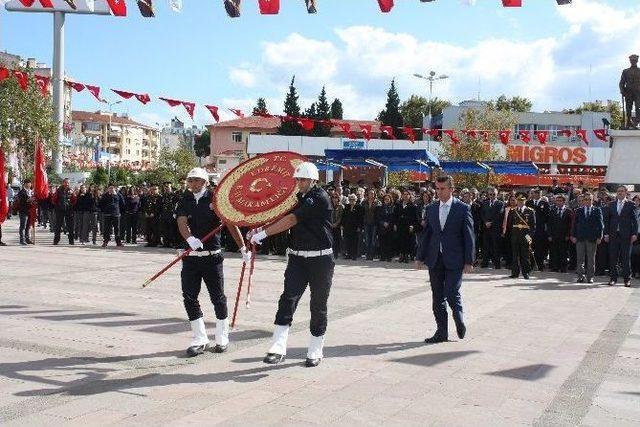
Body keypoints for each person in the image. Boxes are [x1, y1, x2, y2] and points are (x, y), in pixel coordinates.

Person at [249, 162, 334, 367]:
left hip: (320, 259)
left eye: (303, 179)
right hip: (297, 258)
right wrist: (260, 228)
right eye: (297, 179)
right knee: (288, 299)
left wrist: (264, 233)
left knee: (318, 304)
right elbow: (281, 216)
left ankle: (315, 348)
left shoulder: (318, 198)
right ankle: (278, 347)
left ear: (313, 180)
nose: (299, 183)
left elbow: (291, 220)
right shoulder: (300, 198)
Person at [176, 167, 248, 357]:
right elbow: (181, 221)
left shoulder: (216, 200)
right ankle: (200, 338)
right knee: (189, 297)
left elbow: (231, 224)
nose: (193, 184)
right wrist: (189, 238)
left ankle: (222, 336)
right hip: (191, 258)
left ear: (205, 182)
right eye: (190, 180)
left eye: (197, 180)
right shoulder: (185, 199)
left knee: (218, 297)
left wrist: (242, 248)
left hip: (212, 257)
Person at [416, 175, 474, 344]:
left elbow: (469, 235)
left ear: (451, 189)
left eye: (442, 189)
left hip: (455, 259)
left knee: (451, 292)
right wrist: (420, 257)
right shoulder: (432, 208)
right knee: (437, 297)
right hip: (435, 259)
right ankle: (441, 332)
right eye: (437, 189)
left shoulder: (463, 209)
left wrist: (469, 261)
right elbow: (427, 234)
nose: (439, 192)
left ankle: (458, 318)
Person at [604, 186, 639, 287]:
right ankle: (613, 279)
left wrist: (634, 234)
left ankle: (627, 279)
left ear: (625, 193)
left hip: (626, 236)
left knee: (625, 258)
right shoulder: (611, 204)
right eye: (618, 191)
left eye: (622, 191)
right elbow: (607, 220)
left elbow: (635, 221)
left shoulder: (631, 204)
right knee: (613, 257)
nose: (620, 193)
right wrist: (606, 234)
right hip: (613, 235)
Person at [571, 193, 604, 284]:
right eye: (586, 199)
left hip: (592, 238)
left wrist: (599, 236)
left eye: (589, 199)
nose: (587, 201)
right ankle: (580, 276)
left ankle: (590, 277)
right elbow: (574, 224)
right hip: (580, 237)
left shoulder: (597, 210)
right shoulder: (579, 210)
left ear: (592, 200)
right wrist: (573, 235)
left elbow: (601, 225)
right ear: (583, 200)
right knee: (580, 258)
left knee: (591, 259)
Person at [506, 195, 536, 279]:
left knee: (525, 255)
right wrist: (513, 234)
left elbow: (533, 225)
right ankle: (515, 273)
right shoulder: (513, 211)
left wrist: (529, 237)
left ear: (525, 201)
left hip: (525, 235)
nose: (520, 203)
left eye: (522, 201)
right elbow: (509, 224)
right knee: (515, 255)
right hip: (515, 236)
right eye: (519, 201)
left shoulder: (530, 211)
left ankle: (526, 272)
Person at [480, 187, 504, 269]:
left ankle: (497, 264)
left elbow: (499, 215)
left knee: (496, 246)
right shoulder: (485, 203)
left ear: (497, 194)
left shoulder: (500, 203)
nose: (492, 196)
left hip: (495, 228)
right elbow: (482, 214)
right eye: (490, 194)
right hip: (486, 228)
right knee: (486, 246)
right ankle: (485, 263)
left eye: (494, 194)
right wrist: (485, 222)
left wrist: (491, 222)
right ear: (488, 195)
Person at [526, 189, 550, 271]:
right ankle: (530, 265)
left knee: (539, 248)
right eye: (535, 193)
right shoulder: (528, 203)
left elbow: (547, 216)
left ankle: (539, 265)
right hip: (529, 230)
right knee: (529, 247)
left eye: (538, 193)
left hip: (540, 230)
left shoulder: (544, 203)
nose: (536, 195)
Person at [548, 194, 572, 273]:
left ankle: (563, 267)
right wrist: (550, 235)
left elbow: (570, 225)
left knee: (563, 252)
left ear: (564, 202)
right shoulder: (552, 211)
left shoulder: (568, 211)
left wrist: (568, 235)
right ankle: (555, 267)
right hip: (554, 235)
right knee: (554, 251)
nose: (558, 202)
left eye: (560, 201)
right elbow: (549, 224)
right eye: (557, 201)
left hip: (564, 235)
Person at [395, 190, 417, 263]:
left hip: (408, 226)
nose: (405, 196)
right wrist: (395, 224)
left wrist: (412, 226)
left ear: (410, 196)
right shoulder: (399, 205)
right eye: (404, 194)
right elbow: (395, 215)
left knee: (408, 241)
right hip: (400, 225)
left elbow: (415, 217)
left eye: (407, 194)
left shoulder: (413, 206)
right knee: (400, 240)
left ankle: (407, 255)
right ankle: (401, 255)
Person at [52, 178, 75, 245]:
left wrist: (72, 194)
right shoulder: (58, 190)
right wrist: (58, 205)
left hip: (68, 210)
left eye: (68, 183)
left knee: (70, 226)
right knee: (58, 226)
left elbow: (74, 201)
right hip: (60, 210)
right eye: (66, 182)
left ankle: (71, 241)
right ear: (63, 183)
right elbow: (53, 200)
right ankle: (56, 240)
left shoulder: (71, 190)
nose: (67, 184)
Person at [620, 54, 640, 129]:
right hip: (628, 92)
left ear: (637, 61)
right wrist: (622, 91)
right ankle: (628, 122)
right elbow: (621, 82)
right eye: (632, 60)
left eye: (635, 60)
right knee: (628, 108)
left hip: (638, 93)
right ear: (630, 61)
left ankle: (637, 122)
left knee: (638, 107)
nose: (633, 61)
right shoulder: (625, 71)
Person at [342, 194, 363, 260]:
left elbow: (360, 218)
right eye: (350, 199)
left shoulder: (359, 207)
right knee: (348, 241)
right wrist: (342, 225)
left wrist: (360, 227)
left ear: (356, 200)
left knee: (355, 241)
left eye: (353, 199)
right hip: (347, 226)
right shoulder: (347, 206)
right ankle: (349, 254)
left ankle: (354, 255)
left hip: (355, 227)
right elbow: (344, 216)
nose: (352, 201)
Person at [362, 189, 380, 260]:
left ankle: (372, 254)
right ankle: (367, 254)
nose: (371, 195)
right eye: (370, 193)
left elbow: (378, 213)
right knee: (367, 239)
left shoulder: (377, 202)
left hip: (374, 223)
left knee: (373, 240)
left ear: (374, 194)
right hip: (366, 223)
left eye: (372, 193)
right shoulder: (364, 202)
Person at [377, 194, 396, 262]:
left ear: (390, 200)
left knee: (389, 243)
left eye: (388, 199)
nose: (386, 200)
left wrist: (389, 223)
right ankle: (382, 256)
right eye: (385, 199)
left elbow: (394, 217)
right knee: (382, 242)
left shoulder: (393, 207)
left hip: (390, 227)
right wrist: (383, 223)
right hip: (382, 227)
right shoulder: (380, 208)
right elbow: (378, 217)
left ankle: (389, 256)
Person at [17, 179, 35, 245]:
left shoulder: (31, 192)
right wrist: (30, 199)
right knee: (23, 226)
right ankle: (22, 240)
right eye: (27, 183)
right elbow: (22, 201)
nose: (29, 185)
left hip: (30, 211)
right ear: (24, 184)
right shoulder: (22, 192)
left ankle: (27, 239)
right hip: (23, 211)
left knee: (28, 226)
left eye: (30, 183)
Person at [330, 193, 343, 259]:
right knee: (331, 240)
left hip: (337, 226)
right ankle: (331, 253)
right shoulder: (329, 206)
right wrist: (331, 224)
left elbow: (341, 217)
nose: (334, 199)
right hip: (330, 226)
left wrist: (336, 224)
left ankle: (336, 253)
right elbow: (328, 216)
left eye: (336, 197)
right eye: (333, 197)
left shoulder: (341, 206)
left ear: (338, 199)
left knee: (337, 240)